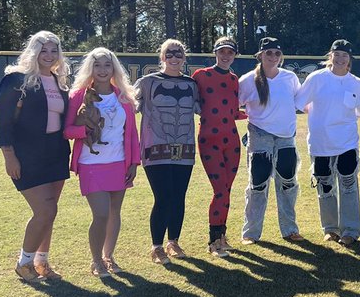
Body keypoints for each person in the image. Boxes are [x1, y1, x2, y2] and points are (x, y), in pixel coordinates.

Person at [0, 30, 71, 282]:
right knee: (45, 209)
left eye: (53, 50)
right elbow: (3, 120)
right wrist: (9, 155)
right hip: (27, 154)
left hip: (56, 153)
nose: (48, 55)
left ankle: (41, 262)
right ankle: (24, 262)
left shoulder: (60, 82)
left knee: (51, 210)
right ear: (34, 51)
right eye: (43, 50)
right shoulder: (17, 79)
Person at [64, 48, 140, 276]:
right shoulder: (78, 95)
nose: (103, 70)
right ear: (91, 68)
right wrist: (84, 130)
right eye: (97, 65)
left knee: (115, 212)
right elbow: (66, 131)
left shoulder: (123, 96)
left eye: (107, 65)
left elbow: (132, 133)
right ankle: (96, 260)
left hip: (119, 162)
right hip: (91, 164)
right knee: (101, 214)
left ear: (114, 68)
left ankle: (108, 257)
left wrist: (134, 162)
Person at [296, 39, 360, 248]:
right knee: (325, 187)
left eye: (345, 55)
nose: (340, 58)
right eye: (337, 54)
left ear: (349, 59)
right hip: (320, 144)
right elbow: (300, 102)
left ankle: (350, 230)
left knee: (348, 186)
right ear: (331, 56)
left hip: (346, 143)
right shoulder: (316, 78)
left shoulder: (356, 83)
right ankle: (330, 229)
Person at [135, 39, 200, 264]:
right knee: (162, 196)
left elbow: (206, 108)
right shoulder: (147, 83)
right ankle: (157, 246)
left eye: (178, 54)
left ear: (184, 58)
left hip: (184, 149)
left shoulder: (191, 85)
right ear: (162, 57)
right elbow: (127, 104)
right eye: (169, 54)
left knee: (178, 197)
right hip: (155, 148)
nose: (174, 58)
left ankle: (173, 241)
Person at [237, 37, 302, 245]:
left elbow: (299, 102)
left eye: (276, 53)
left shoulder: (290, 78)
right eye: (268, 53)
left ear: (281, 57)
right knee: (258, 183)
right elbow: (234, 105)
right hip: (260, 136)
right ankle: (251, 232)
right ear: (260, 55)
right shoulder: (247, 80)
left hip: (286, 137)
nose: (273, 57)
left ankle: (290, 229)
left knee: (287, 182)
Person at [193, 37, 243, 257]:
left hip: (231, 140)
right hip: (209, 140)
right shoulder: (201, 76)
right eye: (222, 52)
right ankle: (213, 241)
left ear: (235, 56)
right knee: (219, 189)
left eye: (230, 53)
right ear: (215, 53)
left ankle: (222, 236)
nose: (225, 56)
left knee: (227, 190)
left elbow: (234, 112)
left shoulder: (234, 79)